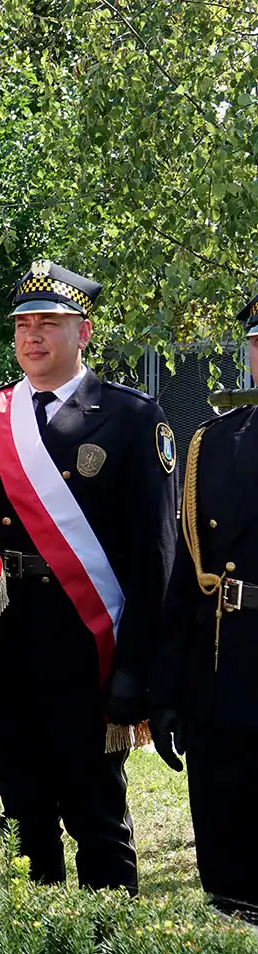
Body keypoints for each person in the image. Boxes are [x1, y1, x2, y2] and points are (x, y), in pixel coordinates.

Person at [0, 261, 176, 893]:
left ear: (82, 332)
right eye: (23, 324)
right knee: (23, 815)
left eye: (49, 323)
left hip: (87, 646)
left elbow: (155, 557)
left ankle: (107, 938)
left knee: (96, 817)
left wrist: (136, 668)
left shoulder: (131, 417)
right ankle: (38, 935)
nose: (32, 336)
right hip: (5, 643)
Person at [151, 294, 258, 920]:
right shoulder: (213, 443)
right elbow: (189, 581)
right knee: (228, 854)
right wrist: (168, 690)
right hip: (225, 662)